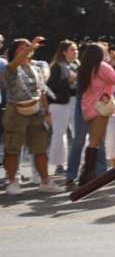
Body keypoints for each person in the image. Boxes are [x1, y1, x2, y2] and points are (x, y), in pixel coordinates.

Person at [3, 38, 61, 194]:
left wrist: (47, 112)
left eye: (28, 47)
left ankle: (45, 181)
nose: (27, 50)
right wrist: (29, 48)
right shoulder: (11, 67)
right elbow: (15, 64)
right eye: (22, 48)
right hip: (16, 112)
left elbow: (41, 91)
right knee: (13, 148)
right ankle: (12, 181)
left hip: (36, 112)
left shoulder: (36, 68)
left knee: (40, 148)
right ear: (15, 52)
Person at [77, 42, 115, 187]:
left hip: (88, 107)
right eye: (104, 51)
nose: (107, 53)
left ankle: (87, 172)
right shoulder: (102, 66)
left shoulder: (85, 67)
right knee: (95, 142)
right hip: (100, 107)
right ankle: (87, 175)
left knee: (93, 139)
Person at [46, 40, 78, 174]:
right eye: (72, 49)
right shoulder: (56, 66)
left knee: (79, 133)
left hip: (75, 101)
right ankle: (58, 164)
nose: (76, 52)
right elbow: (50, 87)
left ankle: (79, 162)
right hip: (60, 103)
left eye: (76, 49)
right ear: (64, 51)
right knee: (60, 134)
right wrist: (67, 81)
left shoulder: (77, 65)